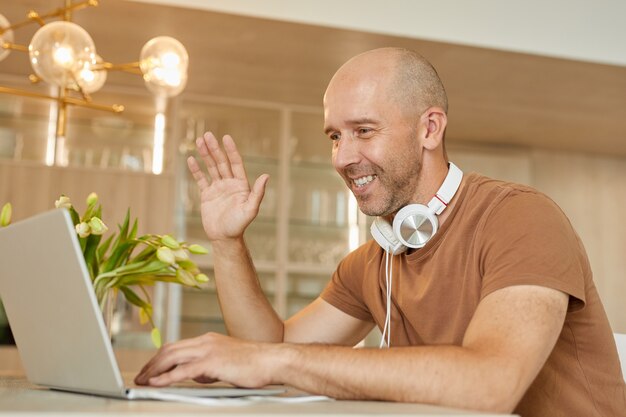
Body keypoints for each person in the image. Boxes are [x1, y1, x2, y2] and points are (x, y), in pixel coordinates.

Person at [135, 47, 626, 416]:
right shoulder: (372, 261)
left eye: (363, 131)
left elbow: (491, 384)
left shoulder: (521, 218)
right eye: (334, 136)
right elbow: (273, 345)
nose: (343, 157)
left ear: (429, 129)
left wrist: (275, 363)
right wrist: (226, 244)